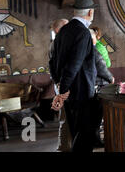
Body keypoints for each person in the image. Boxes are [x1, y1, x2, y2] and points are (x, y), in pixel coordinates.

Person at [50, 0, 98, 152]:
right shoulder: (83, 33)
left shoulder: (63, 32)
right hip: (81, 93)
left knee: (77, 132)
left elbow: (53, 62)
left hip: (68, 92)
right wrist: (62, 91)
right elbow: (73, 65)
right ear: (90, 12)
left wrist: (60, 87)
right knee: (85, 135)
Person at [89, 29, 114, 147]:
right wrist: (111, 78)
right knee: (97, 116)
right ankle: (96, 141)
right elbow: (103, 67)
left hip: (88, 86)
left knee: (90, 117)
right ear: (94, 38)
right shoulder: (94, 50)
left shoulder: (78, 50)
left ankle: (93, 139)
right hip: (97, 85)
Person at [48, 18, 70, 152]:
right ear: (60, 29)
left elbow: (51, 67)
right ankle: (64, 146)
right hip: (63, 84)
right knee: (65, 116)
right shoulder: (58, 44)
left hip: (60, 83)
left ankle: (65, 145)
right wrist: (61, 86)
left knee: (65, 115)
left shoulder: (55, 43)